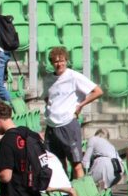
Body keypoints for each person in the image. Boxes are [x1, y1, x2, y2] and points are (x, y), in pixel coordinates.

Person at [43, 47, 103, 180]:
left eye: (62, 61)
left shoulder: (73, 76)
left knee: (76, 164)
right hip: (52, 126)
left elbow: (97, 91)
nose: (59, 64)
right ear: (51, 63)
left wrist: (80, 105)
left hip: (68, 124)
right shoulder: (48, 79)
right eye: (56, 61)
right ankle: (63, 189)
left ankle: (80, 190)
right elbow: (47, 97)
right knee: (56, 164)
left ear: (66, 61)